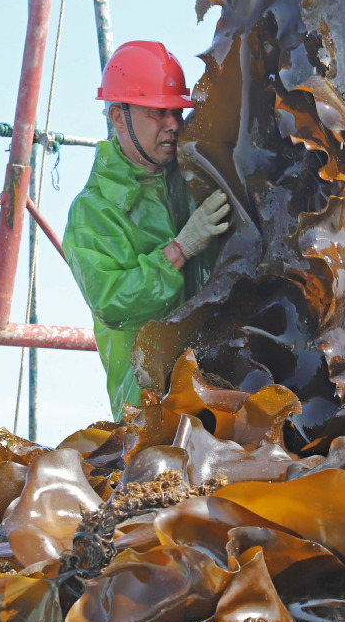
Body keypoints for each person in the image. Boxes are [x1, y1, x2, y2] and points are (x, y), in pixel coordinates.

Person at [63, 40, 230, 419]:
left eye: (177, 112)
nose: (173, 124)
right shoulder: (93, 210)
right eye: (158, 113)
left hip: (222, 383)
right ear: (118, 117)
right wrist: (180, 249)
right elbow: (112, 303)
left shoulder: (196, 174)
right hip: (148, 404)